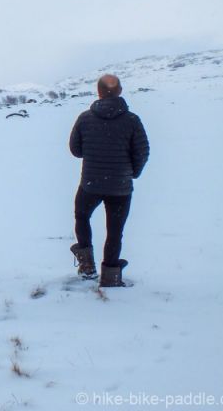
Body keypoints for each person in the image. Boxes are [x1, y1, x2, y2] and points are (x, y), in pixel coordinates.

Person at [69, 74, 149, 287]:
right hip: (120, 187)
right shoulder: (132, 120)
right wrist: (133, 172)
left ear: (99, 92)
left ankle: (87, 266)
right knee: (115, 231)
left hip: (90, 184)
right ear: (120, 91)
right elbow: (142, 152)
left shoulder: (85, 118)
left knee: (82, 216)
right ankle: (111, 276)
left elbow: (76, 150)